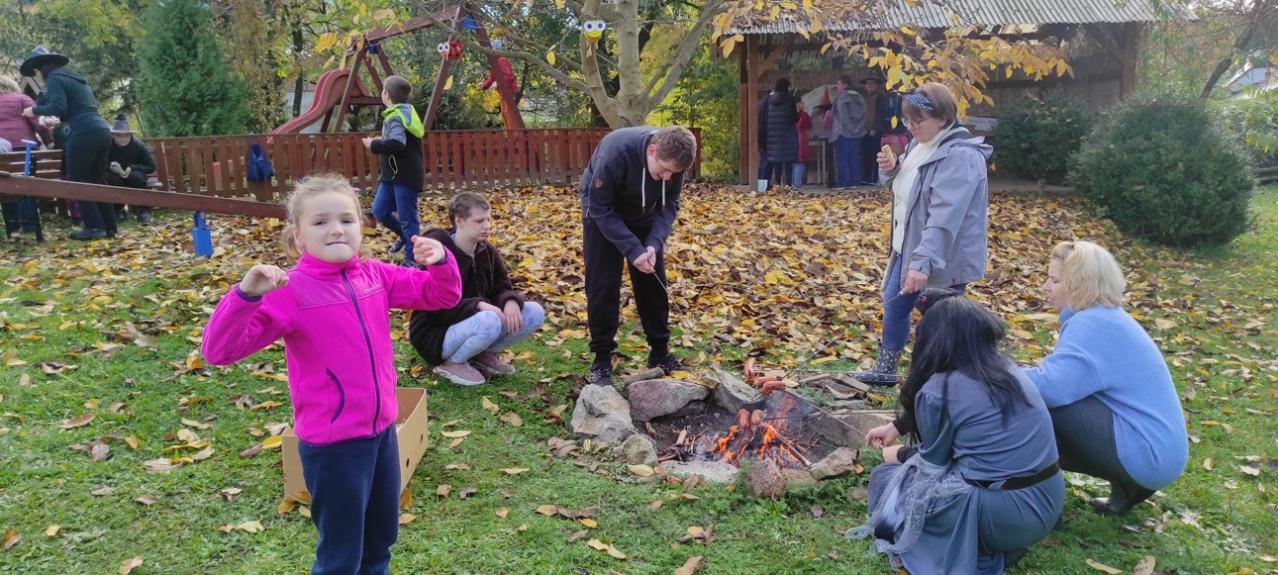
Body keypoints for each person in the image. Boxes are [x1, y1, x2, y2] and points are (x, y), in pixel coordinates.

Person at [201, 174, 461, 575]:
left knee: (380, 541)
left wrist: (441, 261)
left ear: (361, 227)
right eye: (320, 222)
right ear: (298, 236)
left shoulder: (377, 276)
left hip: (382, 434)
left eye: (346, 219)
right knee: (341, 556)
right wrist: (245, 295)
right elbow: (219, 350)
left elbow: (442, 294)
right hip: (333, 447)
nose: (336, 229)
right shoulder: (289, 291)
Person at [854, 297, 1064, 574]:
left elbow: (932, 469)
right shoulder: (1010, 371)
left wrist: (900, 454)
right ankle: (993, 542)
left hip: (1002, 514)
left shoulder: (939, 389)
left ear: (932, 341)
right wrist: (898, 427)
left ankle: (978, 550)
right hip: (1048, 501)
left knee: (886, 478)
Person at [1025, 240, 1188, 515]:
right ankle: (1128, 488)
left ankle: (1029, 493)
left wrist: (994, 372)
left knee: (1035, 405)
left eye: (1054, 280)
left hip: (1148, 455)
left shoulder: (1092, 323)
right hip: (1162, 453)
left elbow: (1050, 388)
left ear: (1079, 285)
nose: (1045, 286)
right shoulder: (1107, 317)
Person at [871, 82, 992, 375]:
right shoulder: (919, 146)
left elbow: (943, 218)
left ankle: (948, 380)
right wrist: (892, 169)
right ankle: (885, 373)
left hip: (942, 257)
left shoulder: (960, 157)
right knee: (894, 307)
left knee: (942, 323)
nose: (911, 127)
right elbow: (911, 188)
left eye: (918, 120)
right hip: (908, 248)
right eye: (907, 120)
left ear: (942, 118)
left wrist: (922, 262)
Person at [579, 125, 697, 387]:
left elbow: (670, 203)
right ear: (652, 151)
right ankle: (601, 360)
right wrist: (632, 250)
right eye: (663, 170)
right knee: (602, 284)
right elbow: (600, 208)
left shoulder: (676, 160)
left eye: (673, 173)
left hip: (645, 213)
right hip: (601, 211)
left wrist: (653, 244)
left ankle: (660, 352)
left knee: (653, 281)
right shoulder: (615, 154)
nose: (667, 177)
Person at [408, 192, 546, 386]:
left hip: (479, 323)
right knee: (489, 319)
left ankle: (483, 354)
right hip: (435, 336)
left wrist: (510, 301)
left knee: (534, 311)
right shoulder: (437, 256)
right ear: (459, 221)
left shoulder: (487, 251)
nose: (487, 226)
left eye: (488, 219)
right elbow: (433, 311)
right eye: (479, 221)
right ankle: (452, 363)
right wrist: (477, 305)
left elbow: (501, 286)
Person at [20, 46, 115, 240]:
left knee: (77, 179)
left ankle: (93, 227)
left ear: (41, 68)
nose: (36, 76)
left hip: (82, 131)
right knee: (97, 179)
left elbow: (57, 107)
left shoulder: (54, 79)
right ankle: (109, 226)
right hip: (102, 129)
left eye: (36, 71)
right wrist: (43, 99)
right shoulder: (75, 79)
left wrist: (33, 111)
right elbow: (66, 107)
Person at [363, 75, 425, 266]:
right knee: (380, 210)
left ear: (386, 94)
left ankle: (411, 261)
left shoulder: (397, 116)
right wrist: (380, 142)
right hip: (392, 176)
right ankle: (406, 237)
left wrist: (374, 144)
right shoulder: (399, 113)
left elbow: (398, 143)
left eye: (382, 90)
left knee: (408, 219)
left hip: (405, 176)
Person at [1, 75, 43, 236]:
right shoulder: (22, 98)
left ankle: (12, 228)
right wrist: (48, 140)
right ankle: (30, 227)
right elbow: (38, 122)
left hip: (1, 151)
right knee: (25, 184)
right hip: (24, 148)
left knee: (4, 185)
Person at [104, 113, 155, 224]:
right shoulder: (107, 146)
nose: (123, 139)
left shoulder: (138, 145)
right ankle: (118, 210)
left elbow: (151, 167)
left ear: (130, 135)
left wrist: (132, 168)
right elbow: (100, 164)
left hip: (134, 174)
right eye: (119, 136)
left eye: (126, 136)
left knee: (137, 178)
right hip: (114, 175)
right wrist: (111, 168)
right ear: (113, 135)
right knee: (110, 180)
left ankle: (143, 210)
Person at [762, 77, 800, 189]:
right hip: (788, 137)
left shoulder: (769, 101)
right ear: (786, 87)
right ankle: (788, 185)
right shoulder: (790, 100)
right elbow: (794, 118)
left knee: (777, 162)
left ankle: (777, 185)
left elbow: (766, 118)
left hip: (774, 137)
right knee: (788, 162)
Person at [829, 75, 866, 188]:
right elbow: (865, 114)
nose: (837, 86)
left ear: (845, 85)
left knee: (842, 158)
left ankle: (842, 182)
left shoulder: (842, 97)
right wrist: (858, 127)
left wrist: (850, 127)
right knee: (854, 158)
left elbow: (842, 114)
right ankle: (854, 181)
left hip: (843, 132)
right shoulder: (860, 96)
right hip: (857, 132)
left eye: (839, 83)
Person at [860, 73, 886, 185]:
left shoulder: (881, 97)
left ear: (877, 85)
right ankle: (866, 177)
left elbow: (881, 114)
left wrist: (875, 128)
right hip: (865, 130)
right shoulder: (865, 97)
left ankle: (875, 177)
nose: (869, 85)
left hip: (876, 131)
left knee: (876, 155)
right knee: (866, 154)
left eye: (872, 83)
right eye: (867, 83)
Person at [794, 99, 812, 187]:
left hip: (792, 138)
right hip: (802, 139)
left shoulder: (790, 114)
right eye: (802, 102)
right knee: (800, 161)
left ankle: (793, 183)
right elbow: (809, 125)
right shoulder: (804, 115)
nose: (804, 104)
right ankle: (797, 183)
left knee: (794, 162)